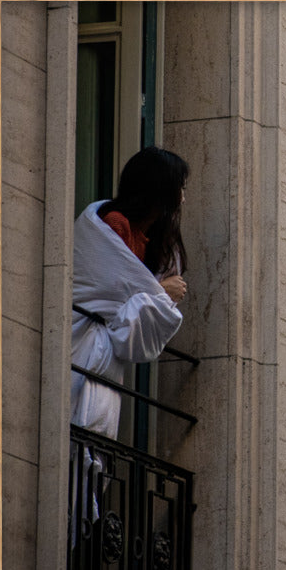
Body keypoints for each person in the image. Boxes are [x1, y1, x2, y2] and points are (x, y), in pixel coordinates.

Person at [70, 147, 190, 439]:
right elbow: (110, 289)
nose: (183, 196)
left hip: (108, 353)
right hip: (86, 340)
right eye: (180, 187)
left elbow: (131, 295)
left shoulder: (150, 239)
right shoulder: (116, 224)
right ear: (160, 188)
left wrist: (153, 295)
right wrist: (160, 292)